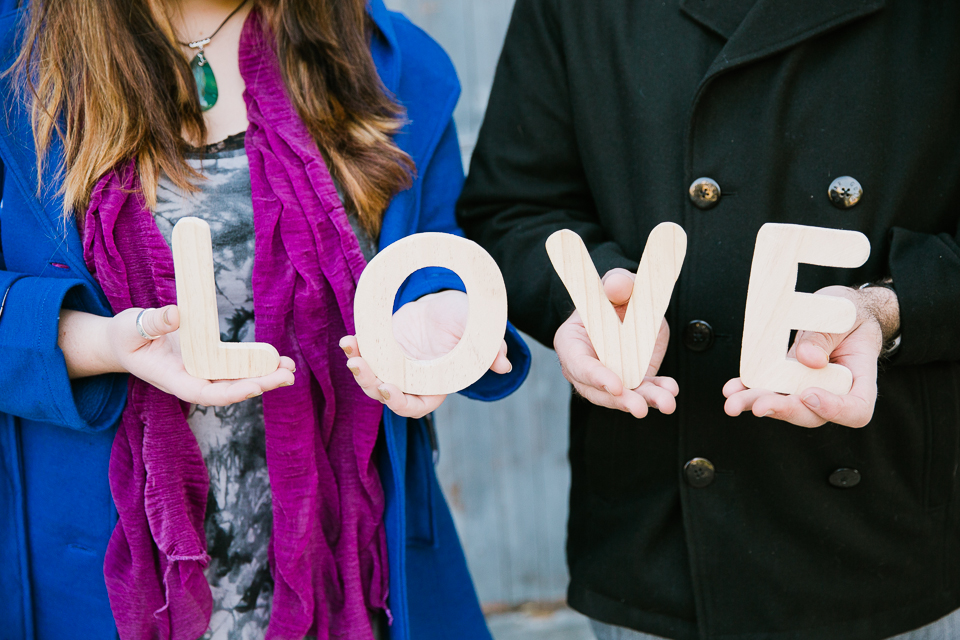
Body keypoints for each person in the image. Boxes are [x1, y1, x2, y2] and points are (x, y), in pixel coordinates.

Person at [0, 0, 530, 638]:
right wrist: (105, 342)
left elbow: (436, 251)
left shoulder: (386, 58)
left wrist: (442, 323)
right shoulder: (18, 57)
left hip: (350, 570)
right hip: (97, 575)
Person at [458, 1, 960, 639]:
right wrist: (598, 301)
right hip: (657, 531)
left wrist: (890, 307)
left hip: (889, 526)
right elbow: (513, 205)